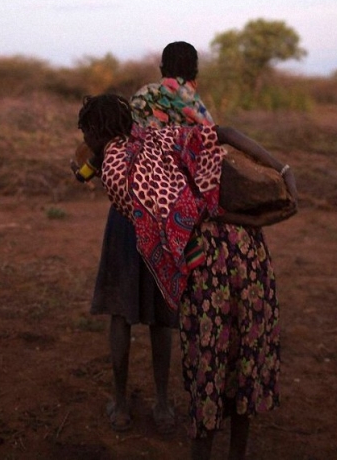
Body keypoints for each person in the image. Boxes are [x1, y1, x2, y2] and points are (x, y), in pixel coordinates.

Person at [77, 94, 297, 460]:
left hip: (206, 266)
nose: (85, 140)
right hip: (248, 251)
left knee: (207, 361)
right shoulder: (154, 135)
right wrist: (283, 171)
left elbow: (184, 220)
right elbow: (225, 133)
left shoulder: (115, 170)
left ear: (97, 131)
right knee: (245, 349)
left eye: (86, 133)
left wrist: (245, 217)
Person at [74, 42, 214, 433]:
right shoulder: (198, 108)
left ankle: (120, 405)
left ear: (162, 66)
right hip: (172, 222)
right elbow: (206, 159)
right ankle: (163, 405)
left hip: (128, 214)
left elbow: (111, 144)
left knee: (121, 311)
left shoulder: (142, 98)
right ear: (194, 69)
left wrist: (85, 170)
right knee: (162, 313)